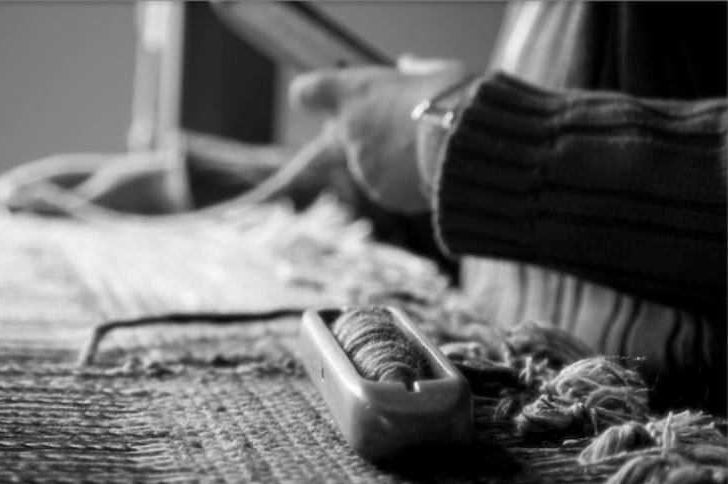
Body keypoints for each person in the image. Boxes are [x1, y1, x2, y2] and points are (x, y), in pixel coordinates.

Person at [288, 2, 727, 411]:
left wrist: (454, 142)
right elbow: (528, 239)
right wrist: (332, 181)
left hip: (658, 428)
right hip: (508, 388)